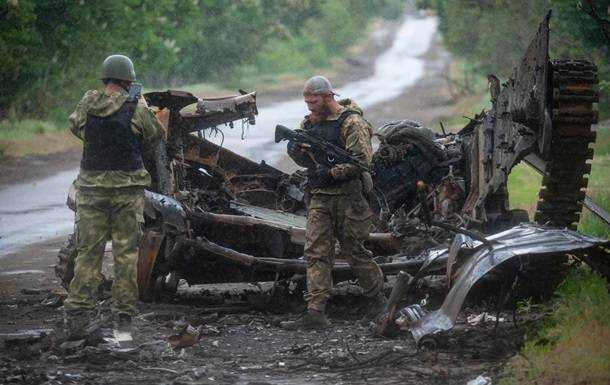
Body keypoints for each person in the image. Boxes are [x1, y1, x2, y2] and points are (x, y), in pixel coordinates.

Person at [63, 54, 164, 335]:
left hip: (92, 191)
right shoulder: (136, 107)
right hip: (126, 193)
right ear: (128, 80)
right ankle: (123, 319)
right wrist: (141, 105)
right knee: (125, 255)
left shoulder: (88, 101)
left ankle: (77, 317)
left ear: (106, 77)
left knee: (88, 254)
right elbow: (156, 136)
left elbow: (76, 126)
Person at [282, 76, 386, 330]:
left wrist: (330, 174)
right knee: (316, 253)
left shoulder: (352, 122)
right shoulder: (309, 123)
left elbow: (362, 162)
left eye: (314, 101)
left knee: (354, 250)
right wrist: (296, 149)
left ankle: (381, 302)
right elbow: (305, 160)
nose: (309, 107)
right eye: (306, 102)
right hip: (321, 197)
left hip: (349, 196)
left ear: (329, 96)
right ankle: (315, 312)